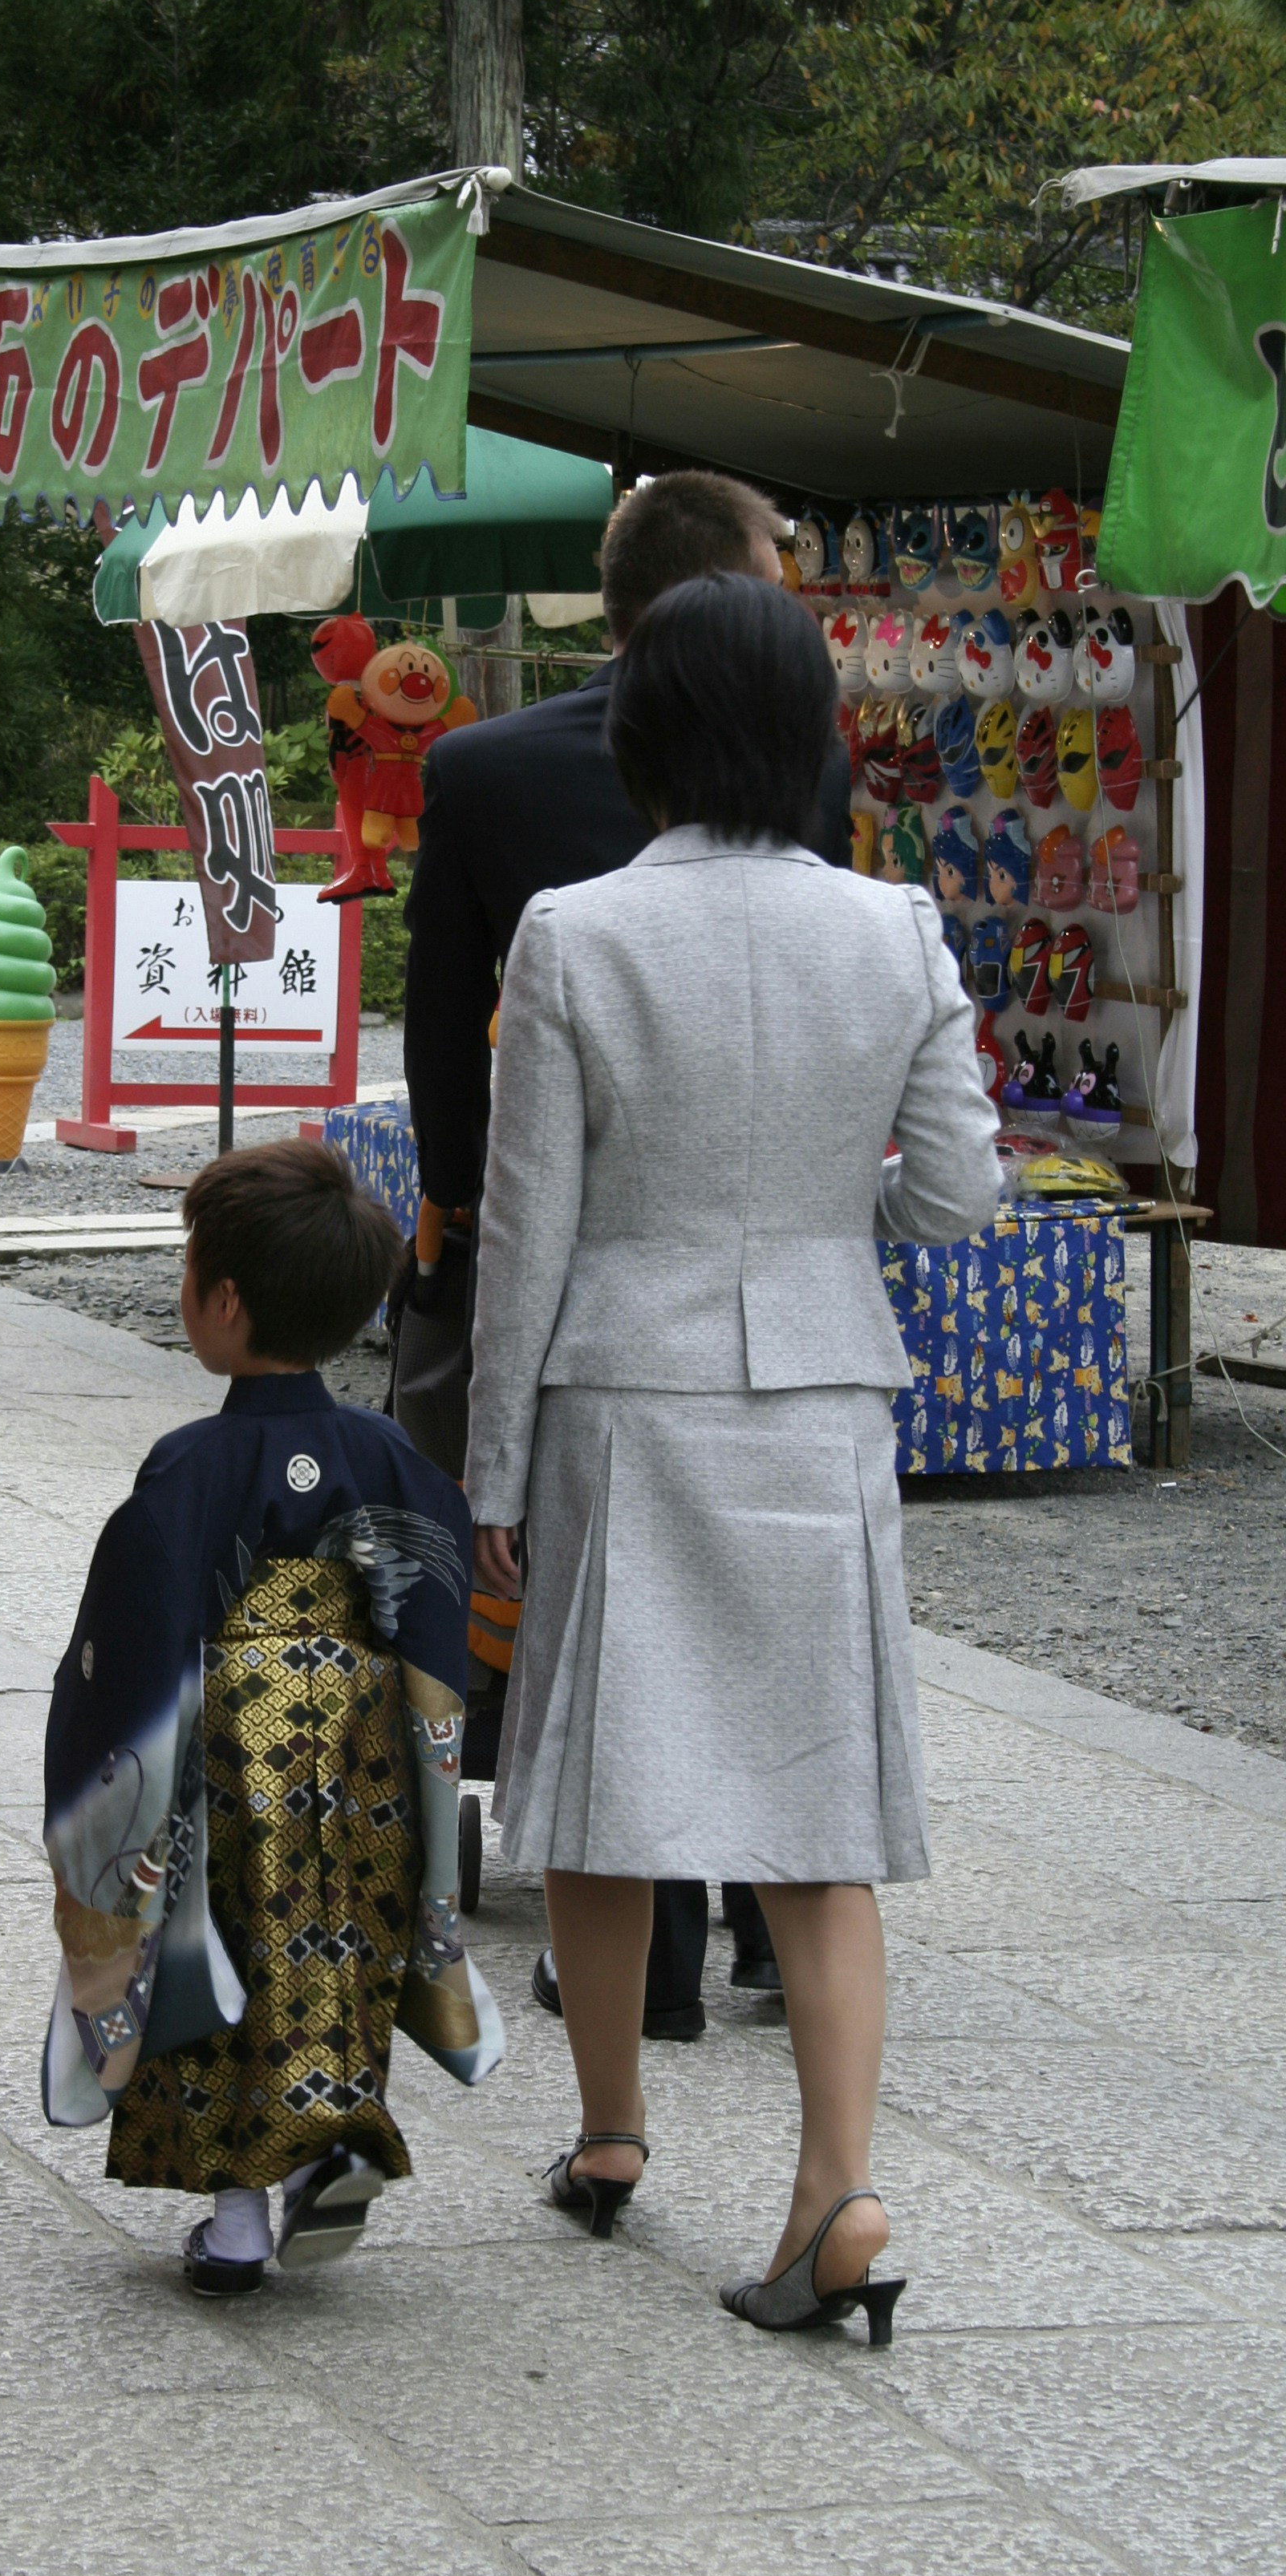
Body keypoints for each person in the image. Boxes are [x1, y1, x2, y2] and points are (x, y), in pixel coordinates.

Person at [465, 575, 998, 2342]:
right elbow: (957, 1194)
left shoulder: (575, 933)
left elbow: (526, 1232)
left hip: (622, 1392)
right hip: (824, 1396)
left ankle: (612, 2135)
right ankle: (839, 2193)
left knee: (609, 1775)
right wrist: (807, 1224)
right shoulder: (900, 927)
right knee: (817, 1805)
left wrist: (489, 1473)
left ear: (648, 730)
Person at [402, 468, 835, 2024]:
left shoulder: (485, 770)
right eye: (781, 558)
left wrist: (450, 1215)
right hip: (757, 1282)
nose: (795, 581)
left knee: (576, 1593)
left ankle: (622, 1960)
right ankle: (774, 1918)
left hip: (549, 1244)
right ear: (723, 582)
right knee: (745, 1601)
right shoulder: (810, 782)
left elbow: (442, 1027)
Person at [39, 1139, 502, 2298]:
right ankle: (330, 2142)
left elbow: (132, 1642)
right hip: (363, 1746)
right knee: (334, 1949)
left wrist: (106, 1788)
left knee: (215, 1963)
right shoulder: (389, 1452)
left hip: (221, 1756)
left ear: (224, 1302)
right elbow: (438, 1611)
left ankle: (239, 2222)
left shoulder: (189, 1465)